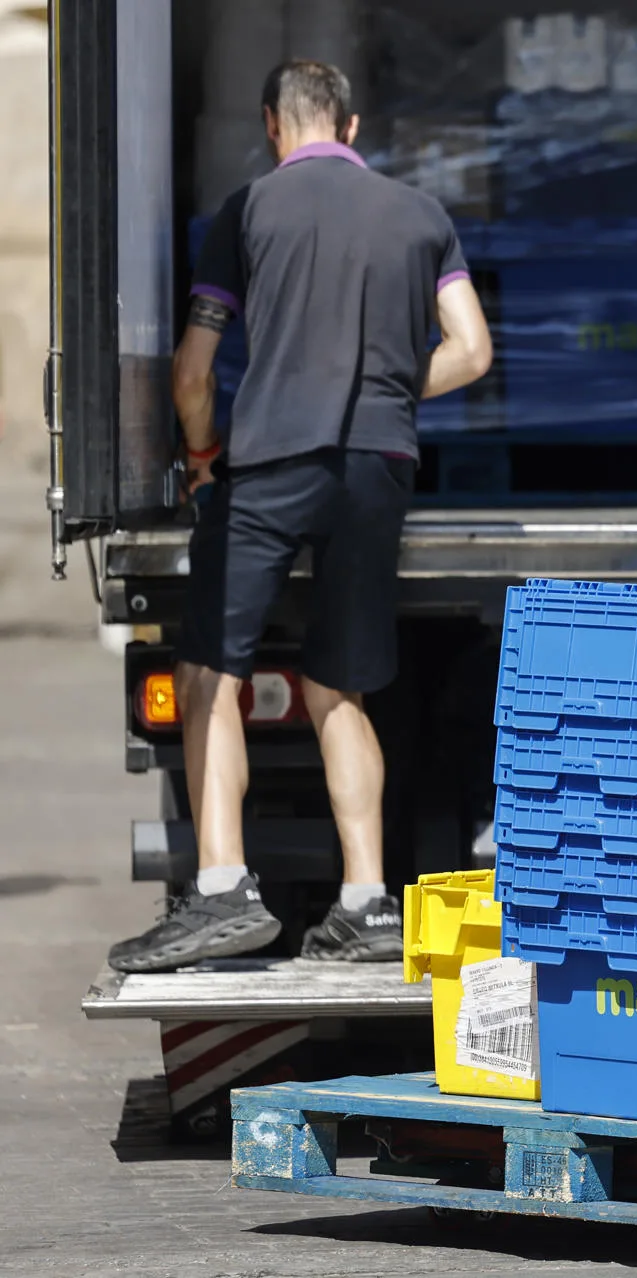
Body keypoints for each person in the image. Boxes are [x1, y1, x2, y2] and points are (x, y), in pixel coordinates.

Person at [109, 60, 493, 973]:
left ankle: (219, 892)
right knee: (338, 688)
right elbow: (471, 350)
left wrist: (203, 461)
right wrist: (394, 395)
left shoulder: (249, 212)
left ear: (273, 128)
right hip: (378, 464)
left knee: (210, 672)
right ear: (352, 129)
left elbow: (193, 375)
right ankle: (365, 902)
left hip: (273, 458)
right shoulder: (421, 215)